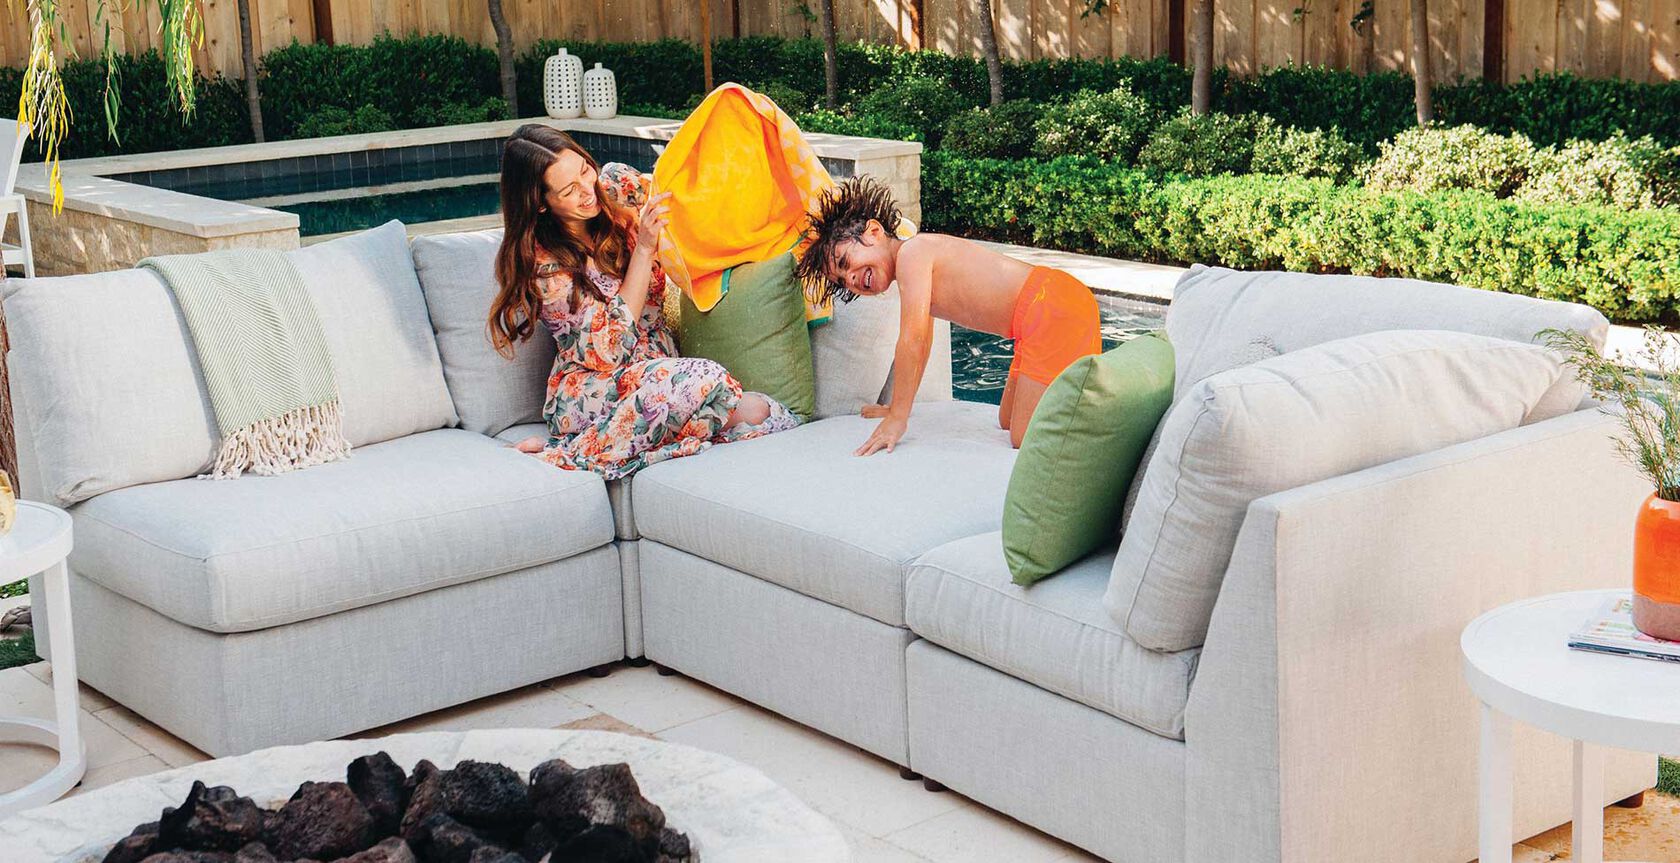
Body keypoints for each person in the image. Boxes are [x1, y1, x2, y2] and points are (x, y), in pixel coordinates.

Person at [488, 124, 797, 479]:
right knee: (705, 378)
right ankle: (566, 453)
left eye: (585, 170)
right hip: (594, 389)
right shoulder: (541, 266)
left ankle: (620, 443)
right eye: (570, 190)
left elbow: (690, 204)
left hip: (658, 371)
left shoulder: (619, 189)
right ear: (541, 204)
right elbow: (610, 350)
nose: (588, 190)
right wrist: (645, 248)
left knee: (760, 412)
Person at [795, 176, 1101, 454]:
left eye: (846, 262)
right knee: (1007, 421)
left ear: (874, 231)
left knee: (1022, 437)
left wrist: (898, 419)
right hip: (1036, 319)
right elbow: (923, 342)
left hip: (1053, 307)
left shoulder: (914, 254)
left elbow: (911, 340)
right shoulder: (912, 274)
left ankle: (1102, 425)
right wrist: (898, 407)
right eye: (841, 280)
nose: (849, 278)